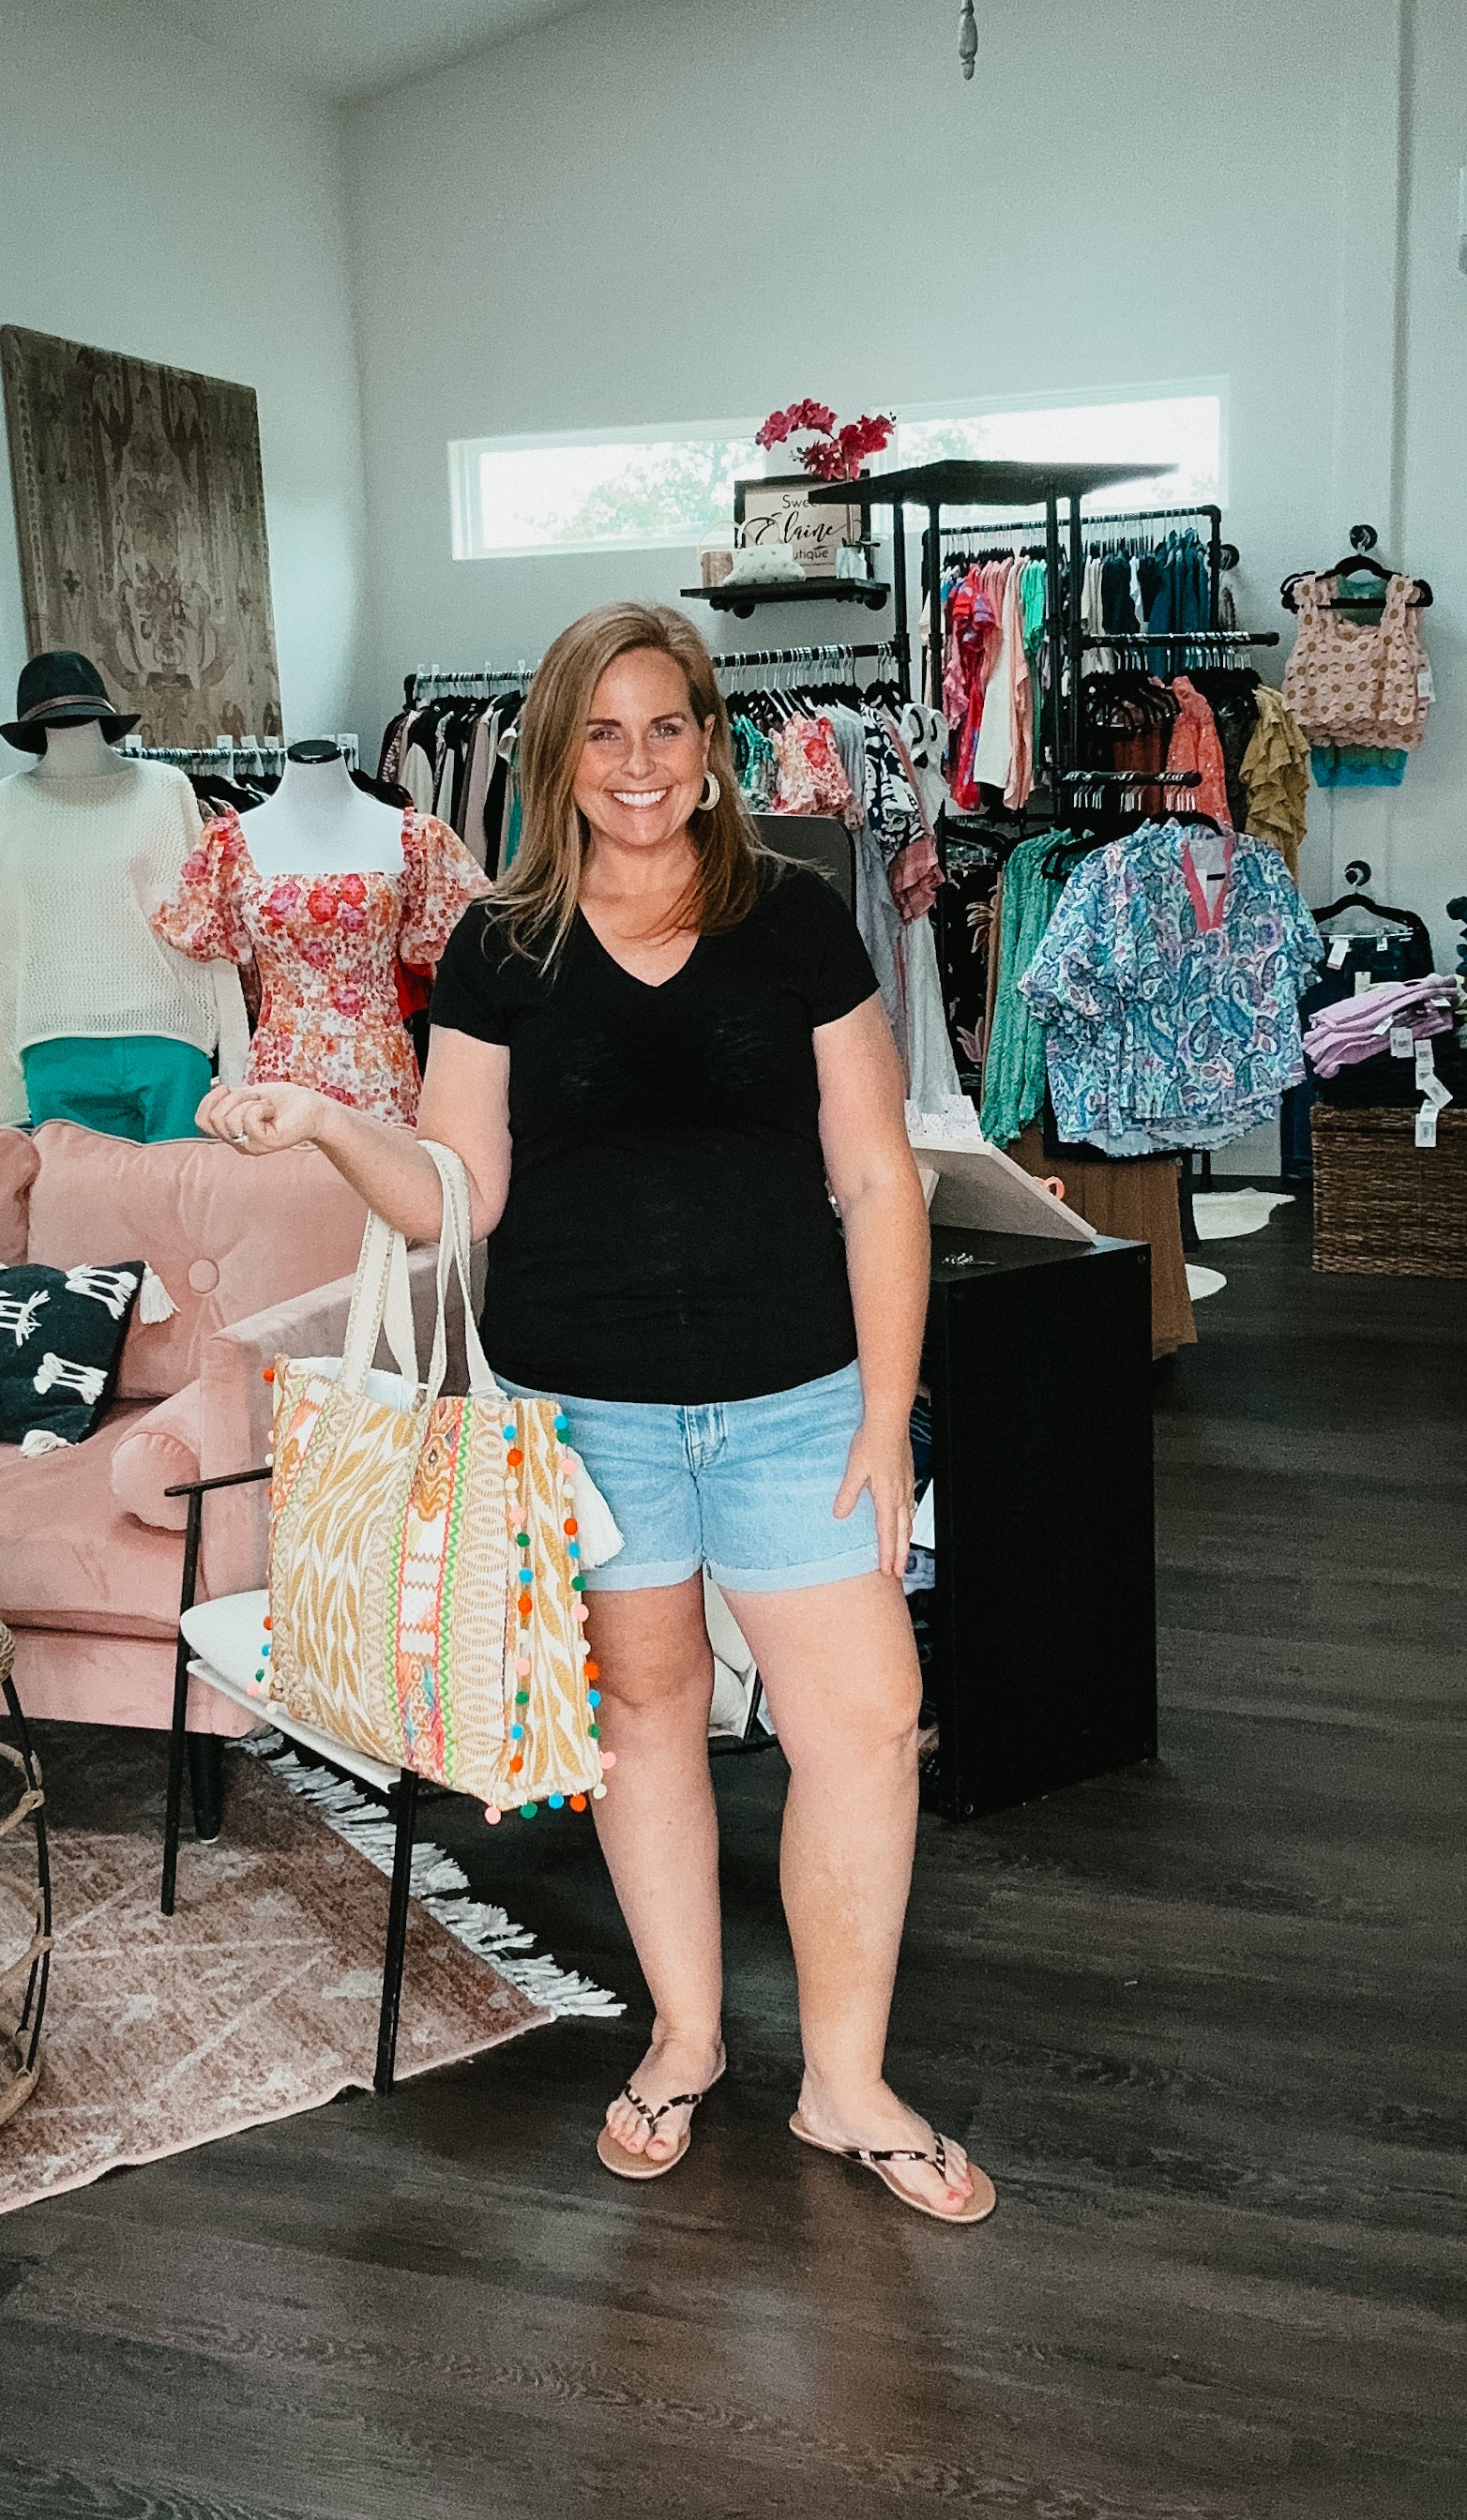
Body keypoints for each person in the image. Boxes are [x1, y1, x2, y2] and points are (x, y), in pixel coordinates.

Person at [197, 601, 994, 2226]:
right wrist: (329, 1123)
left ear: (711, 744)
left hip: (796, 1399)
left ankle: (845, 2084)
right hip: (583, 1418)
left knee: (864, 1723)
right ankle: (686, 2037)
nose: (638, 764)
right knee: (646, 1720)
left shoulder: (795, 915)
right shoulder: (500, 944)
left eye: (667, 727)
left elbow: (875, 1177)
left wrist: (886, 1406)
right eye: (603, 733)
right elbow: (458, 1194)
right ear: (558, 755)